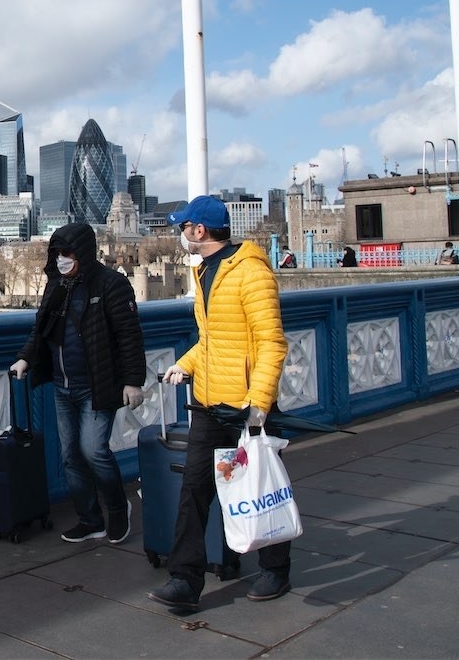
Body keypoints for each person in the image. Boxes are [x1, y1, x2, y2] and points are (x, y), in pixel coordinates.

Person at [146, 195, 290, 612]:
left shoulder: (250, 273)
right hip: (210, 404)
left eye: (183, 226)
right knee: (194, 491)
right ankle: (184, 580)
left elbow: (271, 343)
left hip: (248, 406)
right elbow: (213, 342)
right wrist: (185, 364)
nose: (180, 234)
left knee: (262, 488)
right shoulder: (205, 271)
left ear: (199, 231)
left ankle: (275, 569)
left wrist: (259, 403)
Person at [10, 222, 146, 545]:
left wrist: (132, 382)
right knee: (70, 456)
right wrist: (25, 358)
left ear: (83, 252)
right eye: (57, 254)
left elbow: (129, 336)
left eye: (67, 253)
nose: (61, 259)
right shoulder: (54, 286)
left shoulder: (112, 285)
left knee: (94, 451)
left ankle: (117, 509)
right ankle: (89, 519)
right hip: (61, 386)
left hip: (97, 385)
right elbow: (40, 330)